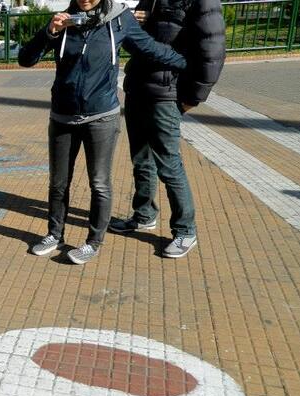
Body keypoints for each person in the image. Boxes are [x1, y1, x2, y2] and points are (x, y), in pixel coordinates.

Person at [18, 0, 186, 264]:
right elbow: (25, 59)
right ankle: (54, 234)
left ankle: (93, 242)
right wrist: (49, 31)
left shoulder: (119, 19)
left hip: (101, 117)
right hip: (62, 116)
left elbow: (151, 50)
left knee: (99, 183)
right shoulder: (65, 21)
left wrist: (191, 64)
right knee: (58, 182)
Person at [108, 0, 226, 259]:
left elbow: (213, 49)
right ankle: (143, 215)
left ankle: (185, 230)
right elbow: (131, 42)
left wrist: (194, 96)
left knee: (169, 165)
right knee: (141, 159)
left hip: (167, 93)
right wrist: (134, 23)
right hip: (138, 87)